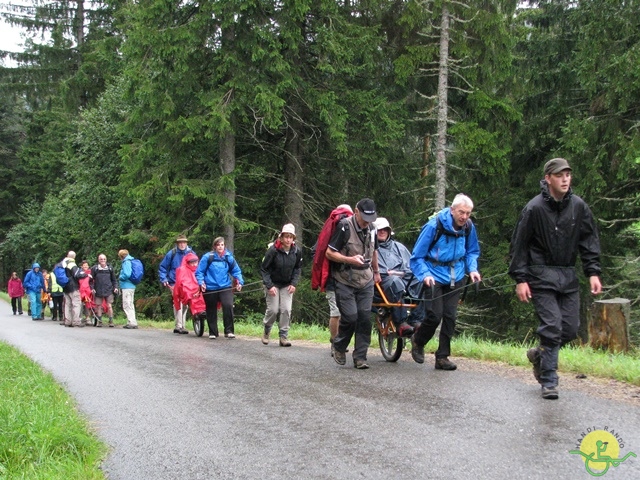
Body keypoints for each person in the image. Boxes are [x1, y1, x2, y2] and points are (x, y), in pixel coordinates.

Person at [509, 158, 602, 400]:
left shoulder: (579, 207)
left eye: (568, 175)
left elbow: (589, 241)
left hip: (568, 277)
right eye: (560, 175)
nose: (565, 179)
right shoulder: (534, 208)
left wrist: (593, 272)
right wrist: (521, 279)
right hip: (540, 277)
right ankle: (549, 380)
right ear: (548, 178)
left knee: (569, 330)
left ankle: (540, 356)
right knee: (551, 328)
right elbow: (519, 246)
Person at [409, 194, 482, 371]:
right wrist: (425, 275)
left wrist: (472, 269)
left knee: (450, 317)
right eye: (461, 212)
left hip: (456, 276)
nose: (464, 217)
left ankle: (442, 357)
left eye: (468, 213)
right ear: (452, 210)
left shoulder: (468, 227)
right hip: (433, 276)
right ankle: (418, 341)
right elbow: (417, 257)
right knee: (435, 315)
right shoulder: (434, 226)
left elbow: (472, 251)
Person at [326, 198, 382, 369]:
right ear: (356, 212)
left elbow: (374, 252)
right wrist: (350, 260)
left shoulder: (372, 228)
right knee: (350, 317)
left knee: (365, 318)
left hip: (366, 279)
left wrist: (377, 272)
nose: (367, 222)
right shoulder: (344, 226)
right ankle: (339, 346)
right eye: (364, 218)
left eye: (370, 218)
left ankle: (360, 357)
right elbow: (329, 253)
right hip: (344, 279)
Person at [372, 217, 422, 337]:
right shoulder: (370, 247)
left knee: (422, 281)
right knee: (395, 281)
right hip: (382, 283)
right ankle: (401, 323)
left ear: (389, 232)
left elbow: (411, 265)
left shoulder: (399, 247)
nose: (382, 231)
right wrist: (386, 272)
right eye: (379, 229)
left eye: (385, 229)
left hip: (403, 278)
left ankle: (416, 319)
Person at [260, 223, 303, 347]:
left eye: (290, 237)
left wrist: (294, 283)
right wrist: (269, 285)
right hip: (272, 283)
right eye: (286, 237)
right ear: (281, 237)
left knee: (286, 309)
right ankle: (267, 330)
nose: (288, 239)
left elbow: (297, 268)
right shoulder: (273, 250)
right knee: (273, 310)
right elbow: (264, 269)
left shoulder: (296, 251)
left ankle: (283, 336)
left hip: (287, 284)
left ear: (293, 239)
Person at [196, 237, 244, 339]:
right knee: (211, 309)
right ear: (214, 246)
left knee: (228, 305)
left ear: (224, 246)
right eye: (218, 245)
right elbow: (199, 272)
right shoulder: (207, 257)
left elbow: (236, 271)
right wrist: (201, 282)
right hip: (210, 287)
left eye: (222, 245)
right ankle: (213, 332)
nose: (220, 247)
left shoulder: (228, 257)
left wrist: (239, 281)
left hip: (225, 286)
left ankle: (229, 331)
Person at [158, 234, 195, 334]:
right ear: (177, 244)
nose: (182, 244)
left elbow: (196, 267)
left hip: (188, 283)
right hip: (174, 282)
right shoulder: (172, 253)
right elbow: (163, 267)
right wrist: (164, 279)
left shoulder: (191, 253)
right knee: (177, 302)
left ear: (186, 243)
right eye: (180, 243)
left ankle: (182, 324)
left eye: (184, 242)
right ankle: (179, 326)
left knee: (186, 304)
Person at [173, 252, 207, 327]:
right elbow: (180, 283)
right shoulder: (182, 270)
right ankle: (179, 325)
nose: (195, 264)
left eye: (196, 262)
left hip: (199, 289)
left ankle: (203, 311)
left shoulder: (200, 269)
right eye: (192, 263)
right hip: (187, 292)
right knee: (191, 299)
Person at [91, 254, 119, 327]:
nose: (103, 260)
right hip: (98, 289)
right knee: (99, 306)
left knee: (109, 306)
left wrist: (115, 287)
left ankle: (111, 321)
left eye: (104, 259)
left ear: (106, 260)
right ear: (98, 260)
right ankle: (100, 321)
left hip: (108, 289)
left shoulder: (110, 268)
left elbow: (114, 280)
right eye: (101, 259)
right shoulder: (95, 268)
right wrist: (92, 288)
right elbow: (91, 280)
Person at [61, 251, 87, 327]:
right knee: (76, 304)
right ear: (74, 257)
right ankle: (76, 321)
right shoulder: (72, 264)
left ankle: (68, 321)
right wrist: (85, 274)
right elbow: (76, 275)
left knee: (67, 304)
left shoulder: (63, 264)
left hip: (65, 286)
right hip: (73, 286)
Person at [118, 249, 139, 329]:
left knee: (127, 304)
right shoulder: (131, 260)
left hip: (127, 286)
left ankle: (131, 322)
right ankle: (132, 321)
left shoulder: (126, 262)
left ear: (121, 256)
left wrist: (120, 277)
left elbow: (127, 274)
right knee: (130, 303)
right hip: (131, 285)